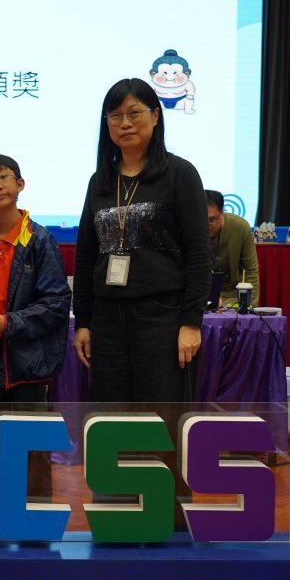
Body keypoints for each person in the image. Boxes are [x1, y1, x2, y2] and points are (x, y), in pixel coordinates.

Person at [72, 77, 212, 402]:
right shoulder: (99, 181)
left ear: (155, 115)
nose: (125, 123)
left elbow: (199, 252)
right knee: (110, 415)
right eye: (115, 116)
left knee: (160, 416)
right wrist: (84, 322)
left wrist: (191, 322)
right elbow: (86, 256)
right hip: (107, 320)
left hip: (162, 317)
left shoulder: (179, 174)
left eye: (134, 113)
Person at [0, 153, 72, 522]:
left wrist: (9, 323)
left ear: (20, 185)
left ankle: (35, 514)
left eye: (3, 178)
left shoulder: (40, 239)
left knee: (32, 442)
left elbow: (57, 303)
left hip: (28, 361)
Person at [205, 189, 260, 307]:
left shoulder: (240, 227)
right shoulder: (190, 227)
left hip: (231, 296)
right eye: (201, 219)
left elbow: (251, 270)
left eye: (211, 220)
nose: (205, 225)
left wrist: (250, 306)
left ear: (222, 214)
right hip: (200, 294)